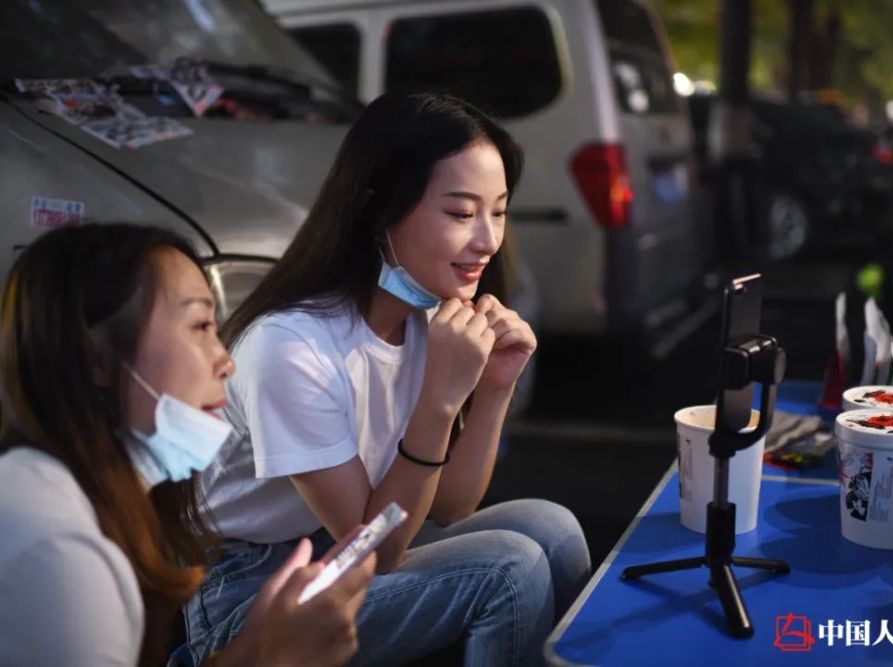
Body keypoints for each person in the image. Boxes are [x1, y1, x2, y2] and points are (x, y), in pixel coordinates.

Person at [184, 92, 591, 666]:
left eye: (497, 211)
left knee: (552, 528)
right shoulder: (291, 347)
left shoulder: (428, 315)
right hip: (255, 591)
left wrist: (496, 384)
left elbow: (450, 507)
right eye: (460, 212)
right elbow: (381, 546)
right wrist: (441, 400)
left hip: (345, 545)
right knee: (509, 568)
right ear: (379, 210)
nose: (487, 240)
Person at [0, 224, 374, 667]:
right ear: (99, 357)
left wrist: (252, 647)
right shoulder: (61, 553)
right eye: (199, 325)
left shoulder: (82, 503)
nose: (226, 361)